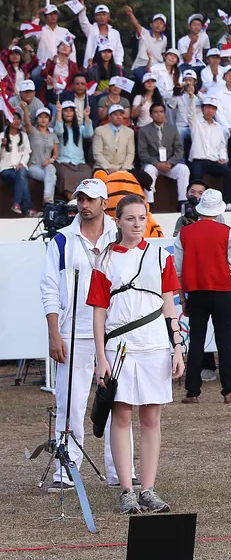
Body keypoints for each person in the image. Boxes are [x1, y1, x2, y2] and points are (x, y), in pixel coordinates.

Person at [88, 194, 183, 514]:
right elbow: (99, 312)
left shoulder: (160, 256)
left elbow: (170, 304)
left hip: (155, 344)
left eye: (142, 218)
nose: (137, 224)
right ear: (117, 221)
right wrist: (101, 357)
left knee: (151, 417)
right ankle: (127, 490)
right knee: (122, 414)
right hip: (120, 348)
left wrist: (177, 347)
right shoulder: (105, 260)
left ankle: (149, 489)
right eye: (130, 219)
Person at [39, 179, 127, 492]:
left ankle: (121, 471)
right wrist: (54, 333)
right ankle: (66, 470)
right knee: (70, 402)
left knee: (120, 402)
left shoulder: (120, 236)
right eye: (80, 199)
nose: (84, 204)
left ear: (105, 202)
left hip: (115, 328)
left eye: (90, 199)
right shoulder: (61, 240)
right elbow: (48, 289)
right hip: (72, 329)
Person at [174, 189, 231, 404]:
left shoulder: (183, 234)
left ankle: (192, 392)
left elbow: (178, 269)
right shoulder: (227, 232)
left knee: (196, 342)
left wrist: (184, 299)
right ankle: (229, 391)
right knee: (225, 342)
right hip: (221, 290)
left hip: (195, 292)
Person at [186, 94, 231, 208]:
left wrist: (223, 158)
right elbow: (190, 114)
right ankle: (193, 204)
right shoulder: (196, 124)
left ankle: (229, 202)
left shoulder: (219, 128)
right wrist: (192, 98)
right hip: (198, 160)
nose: (210, 111)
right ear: (203, 109)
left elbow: (222, 146)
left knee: (228, 172)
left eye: (213, 108)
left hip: (214, 161)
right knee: (196, 175)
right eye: (207, 107)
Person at [138, 104, 190, 209]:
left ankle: (183, 202)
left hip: (169, 164)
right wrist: (157, 164)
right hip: (153, 164)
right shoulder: (144, 130)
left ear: (165, 114)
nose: (159, 114)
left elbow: (179, 149)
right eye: (156, 112)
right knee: (149, 170)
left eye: (161, 112)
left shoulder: (172, 129)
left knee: (184, 169)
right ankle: (149, 204)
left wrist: (170, 163)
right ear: (151, 115)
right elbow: (142, 152)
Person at [54, 102, 93, 198]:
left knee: (87, 172)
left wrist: (86, 116)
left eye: (71, 111)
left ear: (74, 113)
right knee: (65, 174)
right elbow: (58, 132)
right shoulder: (58, 126)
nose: (68, 113)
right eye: (66, 111)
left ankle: (83, 200)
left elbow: (89, 134)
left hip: (79, 162)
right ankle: (72, 201)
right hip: (63, 162)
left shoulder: (80, 128)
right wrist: (58, 113)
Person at [75, 0, 125, 67]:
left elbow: (118, 50)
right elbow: (83, 19)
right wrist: (82, 1)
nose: (102, 17)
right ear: (95, 17)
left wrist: (118, 63)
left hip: (111, 67)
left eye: (104, 15)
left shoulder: (115, 33)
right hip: (93, 65)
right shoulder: (91, 30)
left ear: (108, 16)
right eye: (99, 15)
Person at [26, 107, 58, 205]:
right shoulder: (33, 132)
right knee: (52, 178)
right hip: (33, 165)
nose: (43, 119)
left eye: (46, 117)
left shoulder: (53, 135)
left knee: (51, 170)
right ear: (36, 119)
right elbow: (26, 122)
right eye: (40, 117)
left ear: (49, 119)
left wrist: (50, 160)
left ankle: (47, 199)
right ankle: (49, 203)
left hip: (47, 165)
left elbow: (56, 154)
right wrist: (25, 110)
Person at [93, 104, 134, 176]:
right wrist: (108, 167)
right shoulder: (99, 130)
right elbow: (97, 153)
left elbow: (130, 153)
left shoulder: (129, 132)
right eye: (115, 114)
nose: (118, 117)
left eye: (121, 115)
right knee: (100, 176)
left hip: (124, 167)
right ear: (109, 117)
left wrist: (124, 168)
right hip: (103, 167)